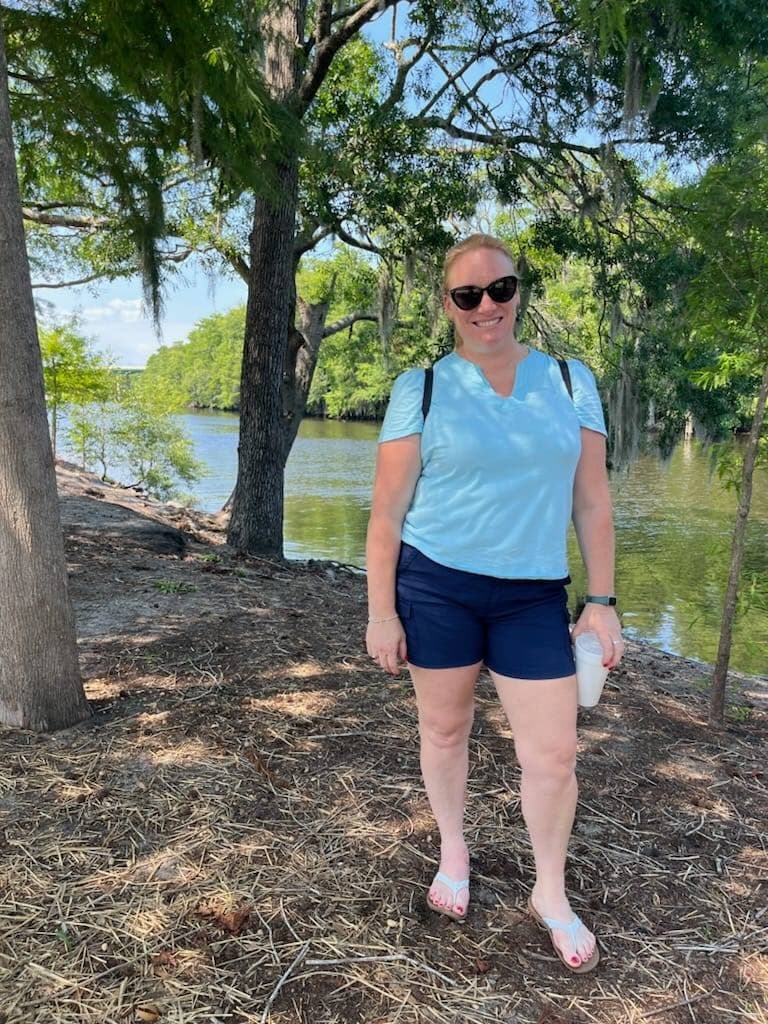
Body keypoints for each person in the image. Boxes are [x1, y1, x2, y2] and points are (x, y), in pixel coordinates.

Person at [365, 233, 624, 973]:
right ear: (448, 305)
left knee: (553, 753)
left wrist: (601, 600)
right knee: (445, 732)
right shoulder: (421, 388)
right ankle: (454, 850)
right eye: (468, 296)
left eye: (500, 290)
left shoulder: (572, 383)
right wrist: (382, 612)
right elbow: (386, 515)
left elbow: (593, 502)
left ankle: (550, 890)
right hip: (436, 585)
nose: (487, 308)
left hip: (533, 595)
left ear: (520, 291)